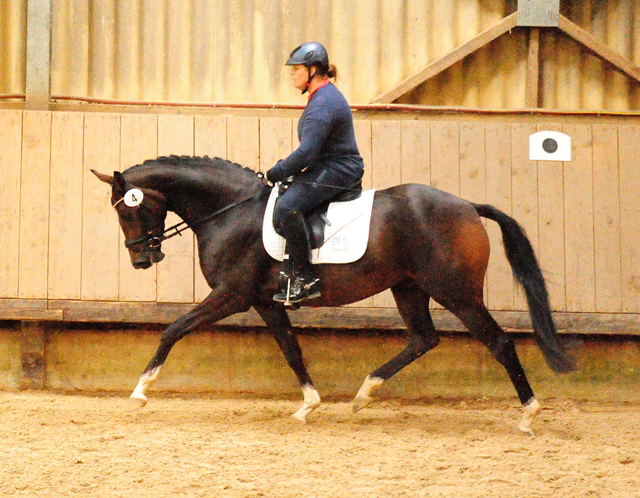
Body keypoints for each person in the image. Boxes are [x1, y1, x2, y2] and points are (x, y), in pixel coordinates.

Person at [264, 41, 365, 304]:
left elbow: (307, 153)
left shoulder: (323, 103)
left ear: (312, 71)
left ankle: (306, 278)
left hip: (339, 170)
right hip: (327, 166)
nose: (292, 75)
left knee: (287, 208)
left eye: (296, 69)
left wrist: (274, 173)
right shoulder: (322, 97)